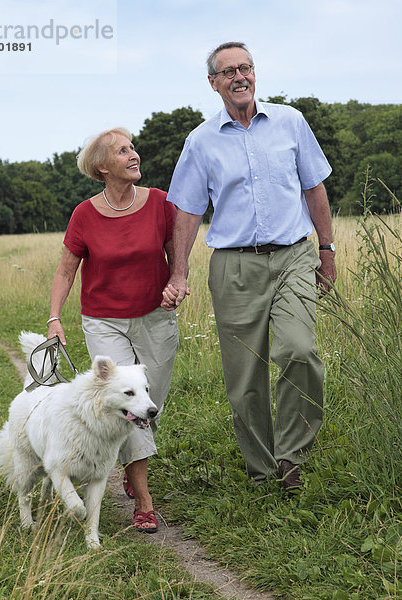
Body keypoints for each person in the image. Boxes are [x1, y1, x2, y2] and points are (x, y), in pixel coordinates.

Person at [161, 42, 337, 491]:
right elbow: (186, 211)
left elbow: (315, 187)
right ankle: (262, 470)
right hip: (235, 267)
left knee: (299, 351)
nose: (240, 76)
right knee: (244, 378)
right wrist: (178, 272)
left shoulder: (290, 122)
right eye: (228, 71)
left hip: (295, 255)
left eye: (246, 68)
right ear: (213, 82)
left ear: (255, 74)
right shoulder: (201, 141)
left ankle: (292, 458)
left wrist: (327, 249)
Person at [47, 126, 179, 531]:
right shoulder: (84, 214)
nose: (134, 155)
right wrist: (54, 318)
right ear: (103, 167)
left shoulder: (160, 202)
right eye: (123, 151)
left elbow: (177, 251)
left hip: (156, 316)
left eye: (133, 148)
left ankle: (128, 462)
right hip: (104, 320)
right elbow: (67, 269)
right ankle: (143, 499)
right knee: (129, 403)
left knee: (150, 401)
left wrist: (178, 281)